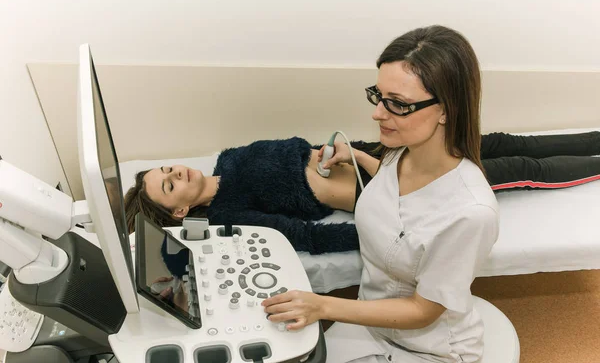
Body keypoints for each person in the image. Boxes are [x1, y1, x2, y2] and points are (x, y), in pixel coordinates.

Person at [260, 25, 499, 363]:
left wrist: (322, 305)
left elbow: (423, 311)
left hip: (431, 353)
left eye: (398, 104)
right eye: (379, 95)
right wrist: (355, 156)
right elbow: (394, 184)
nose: (378, 114)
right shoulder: (401, 152)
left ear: (447, 110)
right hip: (373, 324)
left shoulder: (471, 214)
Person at [124, 129, 600, 255]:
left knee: (496, 143)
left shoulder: (228, 159)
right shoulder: (230, 214)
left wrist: (333, 150)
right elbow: (301, 236)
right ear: (180, 208)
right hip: (396, 187)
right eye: (168, 185)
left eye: (167, 169)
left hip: (376, 151)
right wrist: (378, 235)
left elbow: (298, 148)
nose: (176, 173)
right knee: (518, 168)